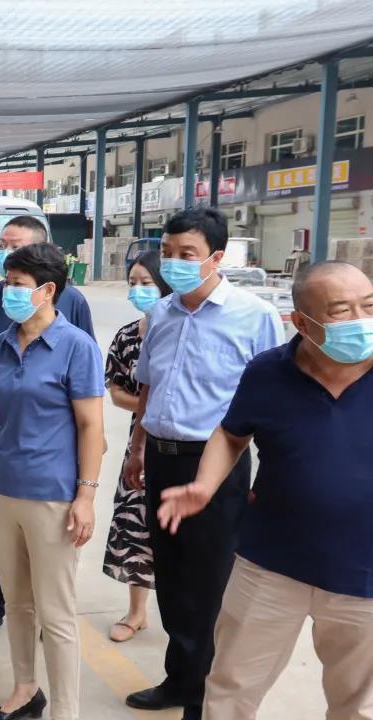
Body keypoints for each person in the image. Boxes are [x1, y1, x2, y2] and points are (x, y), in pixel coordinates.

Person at [158, 261, 373, 720]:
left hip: (364, 575)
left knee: (359, 705)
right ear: (301, 323)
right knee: (230, 689)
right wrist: (204, 484)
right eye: (341, 310)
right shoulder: (268, 372)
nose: (360, 320)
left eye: (369, 306)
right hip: (271, 564)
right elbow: (232, 433)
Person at [122, 207, 284, 719]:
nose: (174, 263)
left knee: (210, 583)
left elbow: (273, 401)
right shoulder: (162, 313)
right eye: (167, 253)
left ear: (216, 257)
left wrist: (268, 476)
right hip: (161, 460)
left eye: (186, 254)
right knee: (170, 577)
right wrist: (137, 448)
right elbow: (148, 386)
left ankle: (204, 695)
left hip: (217, 466)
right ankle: (180, 679)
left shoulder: (254, 316)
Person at [0, 243, 105, 720]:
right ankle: (25, 690)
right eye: (8, 282)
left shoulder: (76, 347)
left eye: (18, 285)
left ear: (47, 290)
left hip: (52, 498)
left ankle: (66, 710)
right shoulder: (2, 344)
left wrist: (85, 496)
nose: (9, 292)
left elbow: (91, 426)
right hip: (0, 493)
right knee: (17, 603)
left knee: (56, 613)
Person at [0, 215, 95, 643]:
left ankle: (47, 615)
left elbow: (86, 389)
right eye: (3, 246)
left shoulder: (72, 304)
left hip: (49, 450)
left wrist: (87, 480)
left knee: (49, 543)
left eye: (17, 247)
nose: (6, 255)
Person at [103, 250, 172, 643]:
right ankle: (136, 613)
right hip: (141, 441)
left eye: (147, 282)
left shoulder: (183, 331)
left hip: (190, 443)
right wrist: (154, 406)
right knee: (135, 523)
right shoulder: (128, 336)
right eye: (132, 283)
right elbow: (116, 393)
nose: (138, 290)